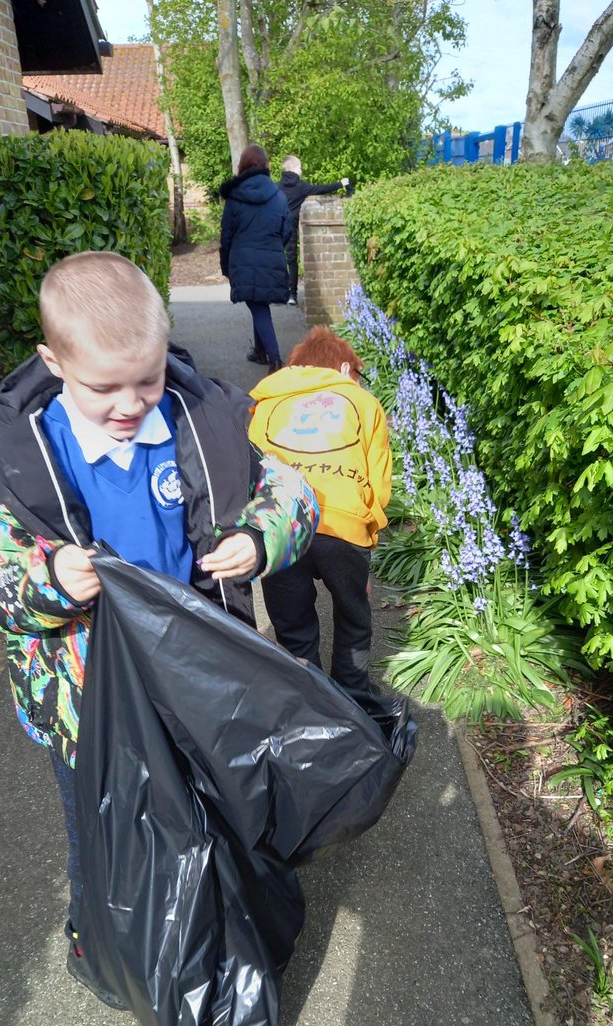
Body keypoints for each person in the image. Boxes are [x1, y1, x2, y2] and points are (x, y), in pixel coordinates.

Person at [0, 251, 318, 1010]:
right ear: (53, 363)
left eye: (147, 380)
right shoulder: (21, 462)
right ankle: (104, 939)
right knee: (102, 833)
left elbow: (289, 491)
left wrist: (260, 540)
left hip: (197, 687)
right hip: (85, 707)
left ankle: (223, 921)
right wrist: (50, 583)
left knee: (213, 806)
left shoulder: (202, 426)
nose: (130, 403)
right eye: (104, 386)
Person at [248, 326, 391, 694]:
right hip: (344, 526)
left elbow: (252, 471)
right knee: (354, 618)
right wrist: (366, 546)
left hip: (283, 526)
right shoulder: (364, 404)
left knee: (294, 627)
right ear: (346, 370)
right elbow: (378, 484)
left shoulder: (265, 405)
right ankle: (354, 699)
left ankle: (310, 703)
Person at [219, 143, 291, 373]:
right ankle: (261, 352)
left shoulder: (235, 196)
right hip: (272, 256)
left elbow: (227, 234)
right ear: (265, 165)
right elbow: (286, 229)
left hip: (244, 258)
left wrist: (226, 264)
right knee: (258, 302)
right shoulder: (278, 195)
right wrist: (275, 249)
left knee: (258, 306)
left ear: (243, 165)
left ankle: (275, 360)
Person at [277, 156, 350, 306]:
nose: (301, 170)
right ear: (293, 169)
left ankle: (276, 292)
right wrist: (341, 183)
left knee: (275, 258)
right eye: (300, 167)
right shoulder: (300, 186)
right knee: (291, 259)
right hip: (290, 225)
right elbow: (321, 189)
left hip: (275, 224)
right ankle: (292, 295)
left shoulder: (276, 186)